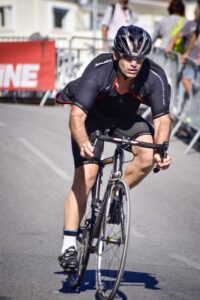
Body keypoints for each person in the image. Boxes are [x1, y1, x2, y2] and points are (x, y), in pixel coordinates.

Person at [56, 25, 172, 273]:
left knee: (147, 155)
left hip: (125, 119)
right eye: (128, 57)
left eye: (139, 58)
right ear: (116, 54)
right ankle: (68, 245)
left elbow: (162, 119)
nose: (134, 63)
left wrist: (162, 151)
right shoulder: (100, 69)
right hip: (92, 118)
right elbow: (77, 115)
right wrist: (83, 140)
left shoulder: (155, 76)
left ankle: (117, 195)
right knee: (87, 177)